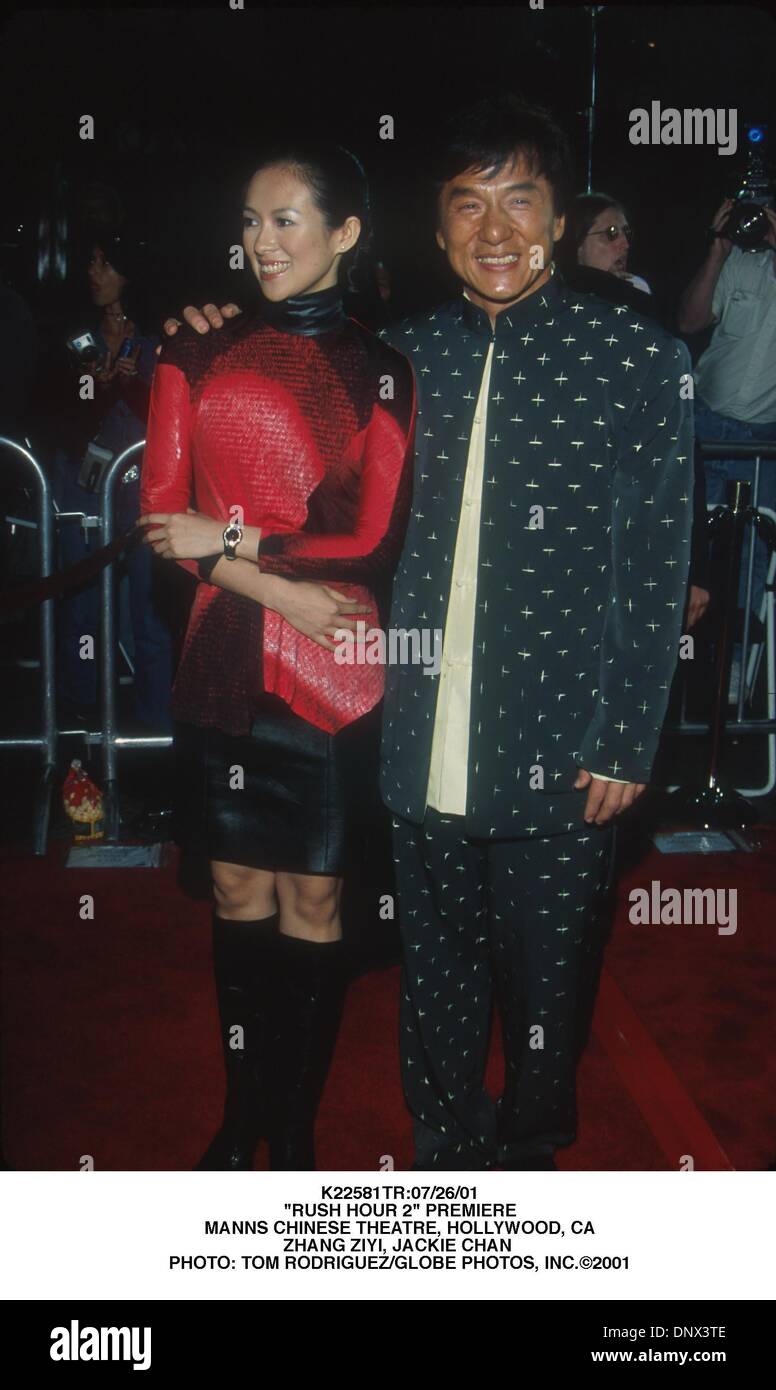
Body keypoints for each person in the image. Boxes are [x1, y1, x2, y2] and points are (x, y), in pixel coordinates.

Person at [169, 96, 695, 1172]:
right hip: (408, 723)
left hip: (562, 733)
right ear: (438, 226)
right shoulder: (396, 361)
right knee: (435, 967)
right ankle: (445, 1145)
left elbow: (654, 563)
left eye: (520, 201)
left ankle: (531, 1148)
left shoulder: (632, 357)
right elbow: (301, 488)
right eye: (467, 204)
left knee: (548, 973)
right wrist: (208, 326)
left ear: (558, 217)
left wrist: (625, 737)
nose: (493, 229)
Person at [138, 142, 415, 1170]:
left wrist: (237, 543)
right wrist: (276, 586)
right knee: (234, 896)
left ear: (344, 232)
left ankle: (290, 1128)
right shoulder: (191, 351)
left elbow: (376, 540)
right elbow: (162, 520)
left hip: (332, 673)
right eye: (251, 221)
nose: (262, 241)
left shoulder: (382, 368)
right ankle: (238, 1111)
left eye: (288, 219)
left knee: (315, 900)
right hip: (222, 655)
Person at [41, 228, 174, 731]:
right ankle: (76, 716)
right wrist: (92, 390)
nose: (93, 273)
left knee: (149, 605)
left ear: (130, 273)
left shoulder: (161, 338)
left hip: (143, 486)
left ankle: (156, 725)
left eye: (105, 264)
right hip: (83, 482)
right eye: (90, 262)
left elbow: (170, 414)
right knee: (80, 601)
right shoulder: (75, 336)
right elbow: (54, 413)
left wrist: (132, 386)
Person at [561, 193, 710, 630]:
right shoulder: (542, 321)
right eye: (609, 234)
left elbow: (680, 452)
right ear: (573, 243)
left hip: (636, 535)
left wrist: (691, 570)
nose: (623, 243)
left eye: (626, 233)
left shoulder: (645, 315)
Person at [677, 196, 776, 701]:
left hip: (764, 441)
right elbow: (691, 322)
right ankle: (668, 669)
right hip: (706, 424)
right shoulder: (741, 261)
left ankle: (732, 669)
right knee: (685, 543)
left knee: (753, 552)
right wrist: (718, 249)